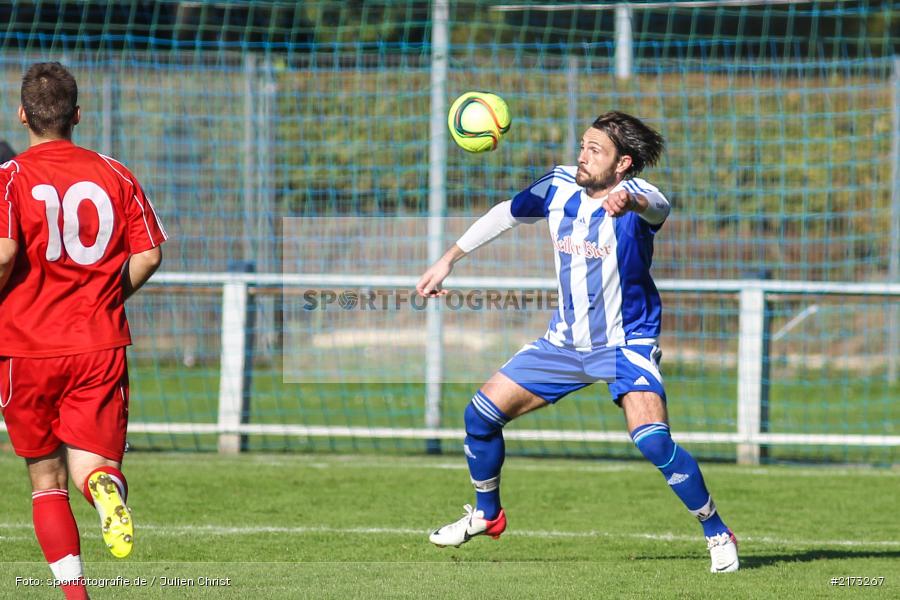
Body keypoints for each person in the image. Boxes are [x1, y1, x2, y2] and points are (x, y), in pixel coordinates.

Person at [416, 111, 739, 573]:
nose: (583, 156)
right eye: (583, 145)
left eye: (596, 150)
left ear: (624, 163)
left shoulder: (638, 197)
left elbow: (658, 206)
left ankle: (716, 530)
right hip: (563, 345)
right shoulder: (558, 185)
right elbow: (504, 214)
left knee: (651, 440)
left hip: (625, 344)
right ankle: (488, 515)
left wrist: (629, 201)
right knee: (479, 416)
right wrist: (448, 259)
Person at [0, 62, 166, 599]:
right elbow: (149, 253)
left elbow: (4, 254)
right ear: (77, 115)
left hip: (24, 347)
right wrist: (108, 298)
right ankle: (103, 490)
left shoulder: (9, 179)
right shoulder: (114, 173)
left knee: (45, 481)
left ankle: (76, 596)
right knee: (95, 465)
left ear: (22, 114)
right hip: (98, 342)